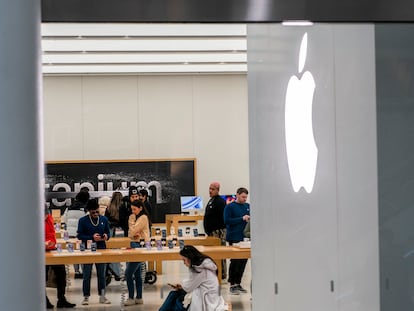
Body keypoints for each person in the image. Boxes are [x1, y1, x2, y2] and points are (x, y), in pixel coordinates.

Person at [159, 245, 226, 311]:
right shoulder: (203, 266)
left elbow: (189, 287)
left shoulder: (201, 269)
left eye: (184, 260)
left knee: (174, 296)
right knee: (174, 295)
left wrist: (181, 285)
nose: (184, 263)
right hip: (208, 295)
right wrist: (182, 285)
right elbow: (192, 283)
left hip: (207, 299)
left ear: (189, 258)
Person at [77, 198, 111, 305]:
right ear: (89, 211)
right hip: (88, 250)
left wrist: (106, 236)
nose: (96, 214)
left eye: (97, 211)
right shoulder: (82, 221)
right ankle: (86, 296)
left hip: (101, 248)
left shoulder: (104, 219)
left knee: (101, 274)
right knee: (87, 274)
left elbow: (108, 233)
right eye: (93, 212)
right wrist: (91, 237)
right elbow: (79, 235)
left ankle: (102, 296)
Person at [44, 205, 76, 309]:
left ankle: (61, 299)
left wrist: (51, 243)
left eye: (46, 214)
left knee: (61, 273)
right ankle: (44, 299)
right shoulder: (34, 220)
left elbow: (51, 233)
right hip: (41, 252)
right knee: (42, 277)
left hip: (52, 250)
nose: (45, 216)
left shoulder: (49, 218)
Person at [124, 199, 151, 306]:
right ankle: (139, 297)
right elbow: (130, 235)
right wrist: (133, 231)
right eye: (131, 210)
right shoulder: (138, 218)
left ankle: (131, 297)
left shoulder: (143, 218)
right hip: (134, 244)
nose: (133, 212)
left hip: (139, 245)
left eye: (134, 209)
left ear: (140, 208)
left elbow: (132, 231)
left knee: (128, 273)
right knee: (137, 273)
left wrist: (131, 220)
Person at [224, 187, 250, 295]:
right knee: (235, 261)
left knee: (243, 261)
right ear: (237, 195)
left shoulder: (247, 206)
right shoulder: (230, 207)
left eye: (246, 197)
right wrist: (241, 219)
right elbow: (227, 221)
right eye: (243, 197)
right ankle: (232, 284)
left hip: (245, 237)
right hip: (234, 236)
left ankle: (238, 283)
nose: (245, 199)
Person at [61, 189, 89, 279]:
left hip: (70, 234)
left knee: (73, 252)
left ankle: (77, 271)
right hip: (81, 234)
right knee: (82, 252)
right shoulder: (85, 209)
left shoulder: (69, 208)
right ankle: (84, 271)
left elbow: (64, 220)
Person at [202, 182, 227, 279]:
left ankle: (222, 274)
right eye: (209, 188)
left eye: (212, 189)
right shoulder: (211, 201)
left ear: (217, 190)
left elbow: (223, 217)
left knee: (220, 253)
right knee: (212, 254)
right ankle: (215, 272)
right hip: (211, 232)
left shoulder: (220, 201)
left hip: (219, 232)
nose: (210, 191)